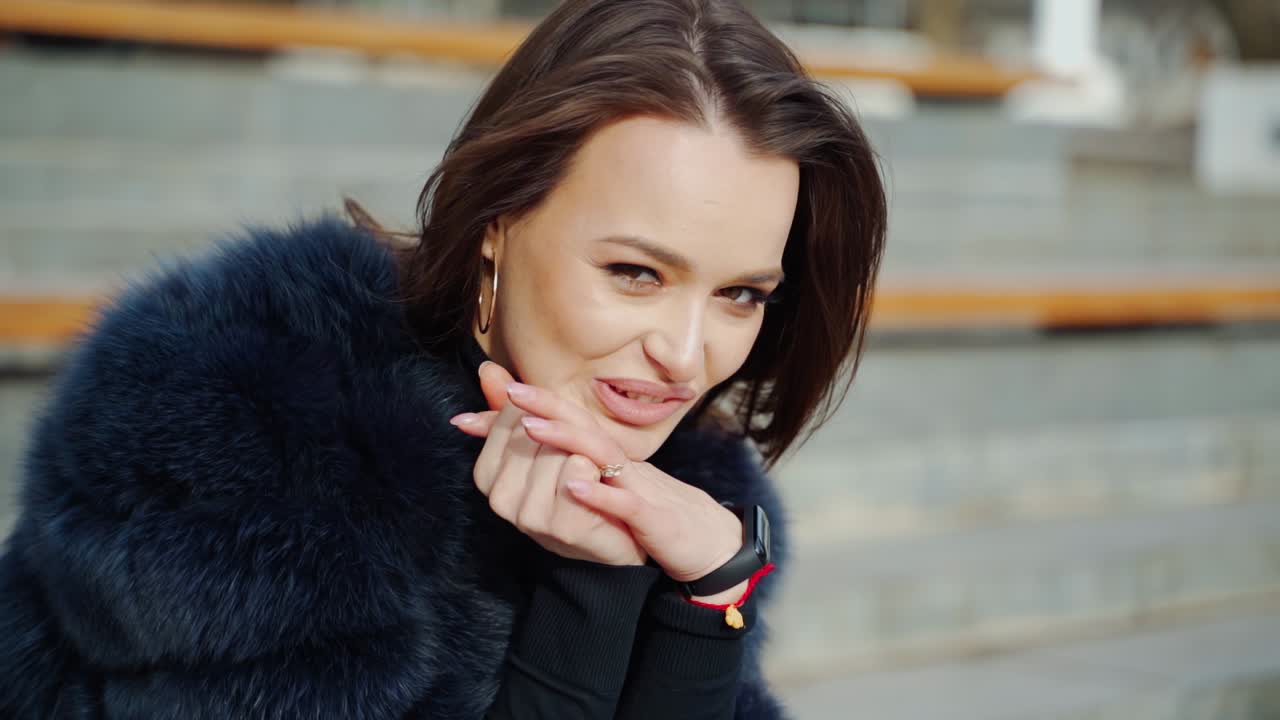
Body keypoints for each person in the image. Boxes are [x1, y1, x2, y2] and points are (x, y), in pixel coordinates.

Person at [0, 0, 885, 717]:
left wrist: (706, 601)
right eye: (636, 272)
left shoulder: (686, 494)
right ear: (498, 226)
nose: (686, 358)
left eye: (741, 294)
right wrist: (591, 596)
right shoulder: (242, 422)